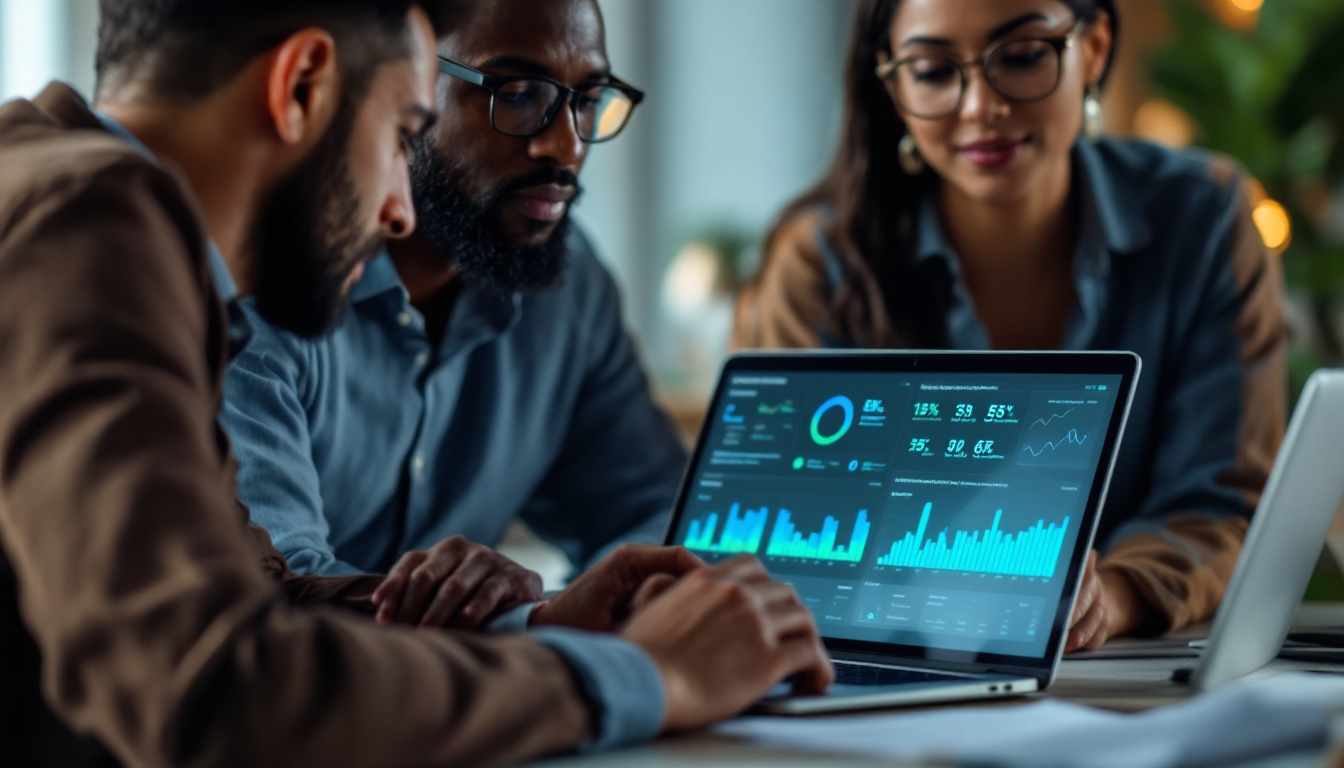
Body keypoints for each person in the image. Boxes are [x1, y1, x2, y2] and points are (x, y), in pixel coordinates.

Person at [0, 2, 833, 766]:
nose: (398, 212)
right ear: (302, 86)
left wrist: (533, 624)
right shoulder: (92, 215)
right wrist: (646, 677)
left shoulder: (55, 184)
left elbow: (259, 597)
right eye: (404, 132)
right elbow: (221, 686)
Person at [734, 0, 1287, 651]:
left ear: (1097, 47)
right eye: (934, 71)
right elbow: (788, 536)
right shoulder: (821, 263)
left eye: (1022, 57)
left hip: (1117, 671)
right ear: (893, 88)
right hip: (882, 670)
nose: (979, 107)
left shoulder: (1205, 220)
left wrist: (1114, 595)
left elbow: (1220, 501)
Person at [219, 0, 686, 627]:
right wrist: (522, 626)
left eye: (589, 98)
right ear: (401, 82)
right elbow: (270, 595)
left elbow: (657, 512)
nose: (566, 144)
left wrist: (616, 601)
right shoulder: (259, 284)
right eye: (519, 94)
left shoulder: (569, 286)